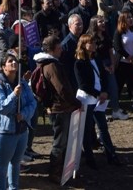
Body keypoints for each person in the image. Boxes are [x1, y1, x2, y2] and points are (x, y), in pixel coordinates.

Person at [35, 35, 81, 184]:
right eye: (59, 48)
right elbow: (61, 89)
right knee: (60, 142)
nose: (61, 50)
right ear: (52, 49)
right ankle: (54, 172)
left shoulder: (46, 64)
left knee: (62, 141)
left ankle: (61, 170)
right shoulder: (52, 66)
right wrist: (75, 102)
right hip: (59, 109)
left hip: (59, 108)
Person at [74, 33, 124, 168]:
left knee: (103, 127)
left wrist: (105, 92)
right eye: (91, 43)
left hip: (98, 99)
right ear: (84, 45)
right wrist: (99, 94)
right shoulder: (79, 63)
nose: (94, 45)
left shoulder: (96, 58)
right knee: (86, 130)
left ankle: (111, 155)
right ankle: (90, 159)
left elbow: (103, 75)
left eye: (95, 43)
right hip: (87, 99)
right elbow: (83, 85)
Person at [0, 51, 37, 190]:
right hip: (5, 133)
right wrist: (14, 95)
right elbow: (1, 108)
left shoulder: (22, 83)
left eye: (15, 60)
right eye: (10, 61)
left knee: (16, 163)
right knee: (2, 164)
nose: (14, 63)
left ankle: (13, 187)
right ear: (4, 67)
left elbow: (32, 103)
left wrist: (24, 114)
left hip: (22, 130)